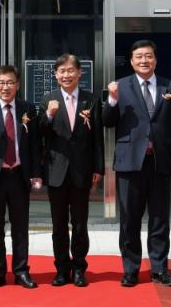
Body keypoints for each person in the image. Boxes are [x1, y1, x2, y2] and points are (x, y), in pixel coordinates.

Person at [103, 39, 171, 288]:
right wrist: (112, 100)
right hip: (130, 162)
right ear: (131, 61)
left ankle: (159, 269)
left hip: (161, 161)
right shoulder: (120, 87)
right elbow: (107, 121)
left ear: (156, 59)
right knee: (129, 219)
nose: (144, 60)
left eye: (148, 56)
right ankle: (131, 269)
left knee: (160, 219)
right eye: (139, 56)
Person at [0, 65, 42, 289]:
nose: (5, 87)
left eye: (10, 82)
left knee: (20, 227)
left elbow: (34, 144)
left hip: (19, 175)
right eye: (1, 83)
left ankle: (21, 271)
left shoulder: (27, 108)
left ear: (18, 85)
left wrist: (36, 174)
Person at [38, 54, 104, 287]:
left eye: (70, 70)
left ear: (79, 73)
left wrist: (98, 168)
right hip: (56, 170)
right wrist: (49, 115)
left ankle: (79, 269)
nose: (66, 75)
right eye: (62, 71)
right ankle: (61, 269)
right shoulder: (48, 99)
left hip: (81, 170)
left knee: (80, 224)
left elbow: (97, 138)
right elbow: (39, 133)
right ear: (56, 75)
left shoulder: (91, 100)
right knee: (58, 225)